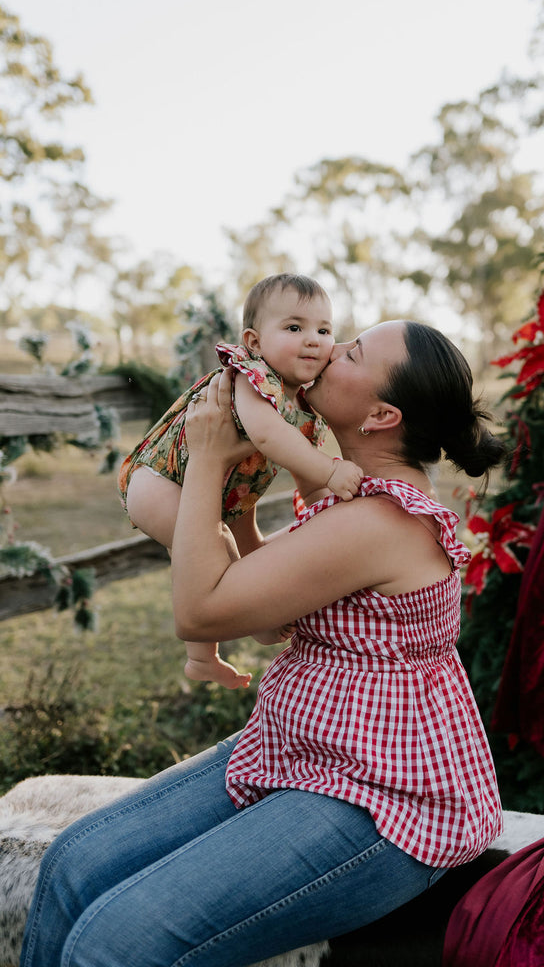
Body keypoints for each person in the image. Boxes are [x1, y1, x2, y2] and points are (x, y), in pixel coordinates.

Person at [22, 319, 507, 967]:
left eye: (351, 352)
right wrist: (242, 511)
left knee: (113, 943)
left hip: (385, 801)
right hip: (304, 750)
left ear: (382, 413)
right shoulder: (356, 499)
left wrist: (206, 459)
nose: (327, 350)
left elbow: (200, 612)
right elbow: (262, 618)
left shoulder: (379, 523)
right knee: (69, 868)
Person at [117, 273, 363, 687]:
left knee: (252, 548)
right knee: (213, 546)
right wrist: (331, 468)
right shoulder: (251, 377)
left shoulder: (304, 406)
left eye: (324, 330)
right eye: (294, 327)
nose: (313, 339)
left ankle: (204, 657)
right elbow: (268, 435)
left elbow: (309, 481)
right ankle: (249, 623)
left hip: (229, 495)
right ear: (254, 341)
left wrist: (332, 507)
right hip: (160, 480)